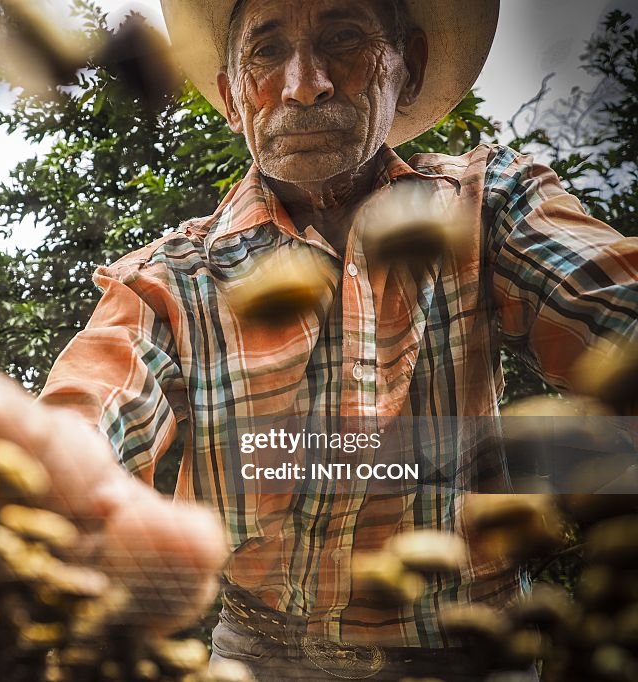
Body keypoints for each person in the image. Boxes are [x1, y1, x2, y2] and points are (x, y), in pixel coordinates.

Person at [35, 0, 638, 679]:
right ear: (234, 97)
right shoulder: (170, 279)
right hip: (260, 654)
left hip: (475, 648)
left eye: (344, 38)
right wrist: (51, 478)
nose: (304, 84)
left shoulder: (486, 203)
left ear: (406, 70)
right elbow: (95, 403)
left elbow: (611, 304)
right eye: (266, 52)